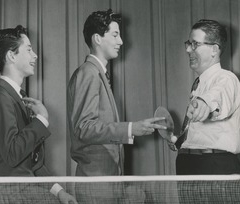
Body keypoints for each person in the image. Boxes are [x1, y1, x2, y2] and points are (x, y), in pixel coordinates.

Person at [0, 25, 78, 204]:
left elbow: (30, 160)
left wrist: (60, 192)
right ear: (11, 56)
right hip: (3, 199)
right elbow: (13, 154)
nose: (35, 56)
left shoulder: (16, 97)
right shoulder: (0, 98)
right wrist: (41, 120)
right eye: (29, 49)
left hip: (17, 195)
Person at [66, 9, 166, 176]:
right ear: (97, 39)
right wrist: (131, 129)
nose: (120, 41)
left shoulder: (97, 73)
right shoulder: (89, 72)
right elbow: (84, 128)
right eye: (114, 35)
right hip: (96, 182)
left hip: (106, 181)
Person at [172, 19, 240, 175]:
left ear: (214, 49)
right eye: (188, 44)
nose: (188, 50)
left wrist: (204, 103)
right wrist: (179, 141)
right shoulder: (199, 83)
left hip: (214, 166)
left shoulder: (226, 78)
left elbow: (215, 97)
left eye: (195, 44)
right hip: (190, 164)